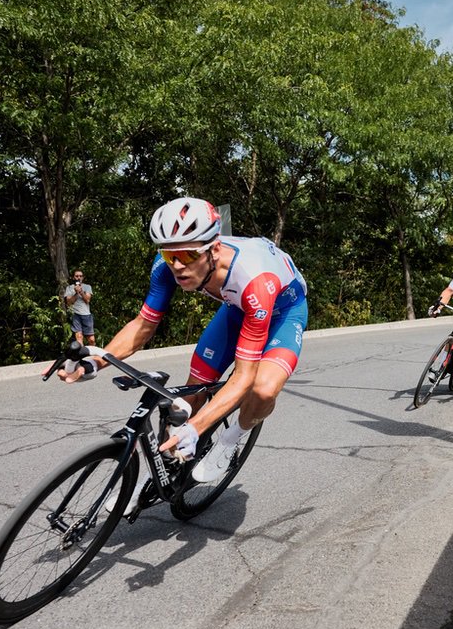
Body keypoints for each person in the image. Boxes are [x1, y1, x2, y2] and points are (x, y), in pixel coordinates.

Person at [59, 197, 309, 509]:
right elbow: (142, 326)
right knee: (190, 397)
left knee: (261, 388)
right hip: (236, 309)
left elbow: (244, 378)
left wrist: (197, 428)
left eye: (189, 254)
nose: (178, 264)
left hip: (281, 312)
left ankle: (229, 442)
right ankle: (156, 478)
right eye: (169, 253)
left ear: (214, 250)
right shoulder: (167, 266)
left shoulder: (254, 280)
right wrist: (94, 361)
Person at [64, 269, 95, 346]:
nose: (79, 277)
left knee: (91, 339)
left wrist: (81, 292)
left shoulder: (87, 287)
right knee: (79, 337)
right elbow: (69, 302)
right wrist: (76, 293)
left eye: (80, 276)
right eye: (77, 276)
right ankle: (82, 355)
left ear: (83, 277)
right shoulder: (69, 288)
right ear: (73, 277)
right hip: (75, 315)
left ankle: (94, 355)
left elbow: (87, 300)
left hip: (86, 315)